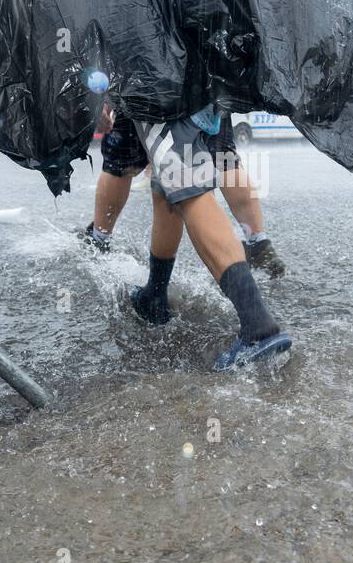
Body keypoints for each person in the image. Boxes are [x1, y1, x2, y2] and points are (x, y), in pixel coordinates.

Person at [88, 109, 292, 370]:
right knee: (170, 181)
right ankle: (155, 293)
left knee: (186, 184)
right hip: (201, 80)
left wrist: (102, 92)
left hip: (157, 82)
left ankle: (258, 326)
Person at [80, 110, 286, 277]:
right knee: (224, 156)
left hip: (147, 80)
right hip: (209, 78)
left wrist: (102, 98)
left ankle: (100, 239)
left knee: (122, 162)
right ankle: (259, 241)